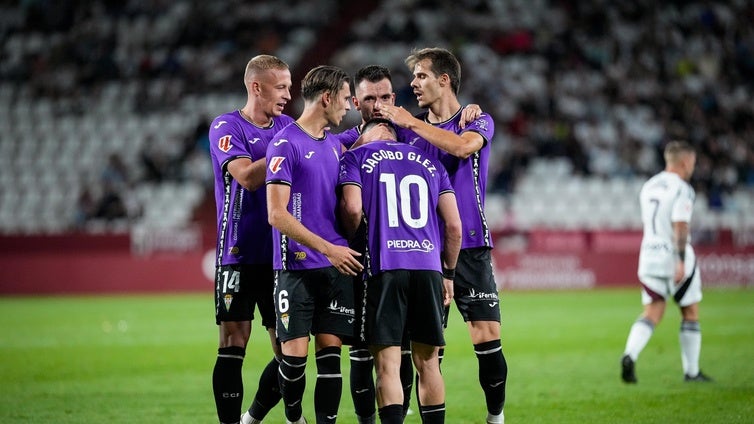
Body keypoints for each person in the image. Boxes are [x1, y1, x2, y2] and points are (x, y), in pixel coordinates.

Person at [379, 47, 507, 424]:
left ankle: (495, 417)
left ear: (444, 79)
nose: (414, 84)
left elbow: (464, 148)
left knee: (486, 337)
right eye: (414, 77)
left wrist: (412, 123)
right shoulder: (405, 131)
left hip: (470, 246)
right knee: (425, 353)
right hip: (424, 253)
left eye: (421, 76)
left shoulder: (476, 122)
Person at [338, 117, 462, 424]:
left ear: (367, 136)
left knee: (387, 366)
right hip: (429, 268)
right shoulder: (431, 164)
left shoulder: (356, 156)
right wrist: (448, 274)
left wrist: (352, 239)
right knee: (429, 363)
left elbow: (352, 209)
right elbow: (455, 227)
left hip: (385, 266)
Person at [265, 64, 364, 424]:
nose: (348, 106)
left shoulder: (336, 143)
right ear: (326, 98)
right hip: (297, 267)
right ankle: (294, 419)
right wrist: (329, 248)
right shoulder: (285, 143)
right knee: (292, 362)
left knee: (330, 361)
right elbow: (276, 215)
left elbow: (374, 128)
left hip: (335, 269)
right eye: (344, 99)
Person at [207, 54, 295, 424]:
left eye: (290, 87)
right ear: (256, 87)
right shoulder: (226, 127)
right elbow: (246, 176)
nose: (289, 95)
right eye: (281, 87)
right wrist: (288, 145)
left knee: (290, 353)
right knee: (232, 344)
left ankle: (252, 417)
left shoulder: (289, 126)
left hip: (282, 255)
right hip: (238, 252)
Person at [621, 140, 712, 384]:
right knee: (690, 311)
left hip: (649, 255)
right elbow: (680, 225)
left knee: (652, 311)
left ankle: (630, 354)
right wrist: (681, 260)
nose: (693, 166)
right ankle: (692, 372)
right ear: (684, 162)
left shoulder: (649, 185)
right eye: (692, 162)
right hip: (672, 256)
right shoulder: (683, 188)